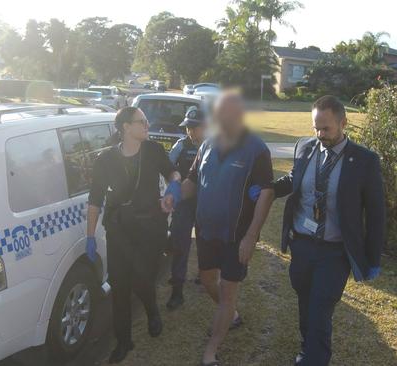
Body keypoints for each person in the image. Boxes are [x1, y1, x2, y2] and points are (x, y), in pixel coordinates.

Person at [273, 95, 385, 366]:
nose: (320, 134)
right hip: (302, 244)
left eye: (326, 128)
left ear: (343, 123)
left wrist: (372, 258)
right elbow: (294, 179)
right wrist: (266, 188)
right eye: (316, 128)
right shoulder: (305, 147)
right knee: (305, 300)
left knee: (321, 306)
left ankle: (314, 359)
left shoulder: (364, 161)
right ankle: (307, 347)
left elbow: (376, 212)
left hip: (335, 252)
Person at [180, 92, 275, 366]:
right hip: (206, 231)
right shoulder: (207, 145)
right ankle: (231, 314)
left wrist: (251, 236)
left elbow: (266, 194)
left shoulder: (257, 149)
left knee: (228, 291)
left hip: (236, 236)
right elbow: (191, 180)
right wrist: (173, 195)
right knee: (209, 280)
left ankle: (211, 351)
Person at [85, 106, 182, 364]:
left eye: (146, 121)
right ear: (126, 127)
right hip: (119, 230)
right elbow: (95, 199)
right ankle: (124, 342)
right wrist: (90, 235)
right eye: (141, 122)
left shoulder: (153, 150)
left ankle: (152, 311)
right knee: (119, 287)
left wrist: (173, 185)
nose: (146, 125)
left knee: (141, 278)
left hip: (151, 227)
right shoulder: (105, 159)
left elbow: (173, 172)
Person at [166, 107, 207, 310]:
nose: (190, 131)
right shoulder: (180, 146)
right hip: (184, 203)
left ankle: (205, 275)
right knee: (180, 244)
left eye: (194, 127)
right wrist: (172, 189)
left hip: (207, 204)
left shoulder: (215, 146)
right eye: (188, 127)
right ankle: (177, 290)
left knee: (206, 242)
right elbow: (167, 168)